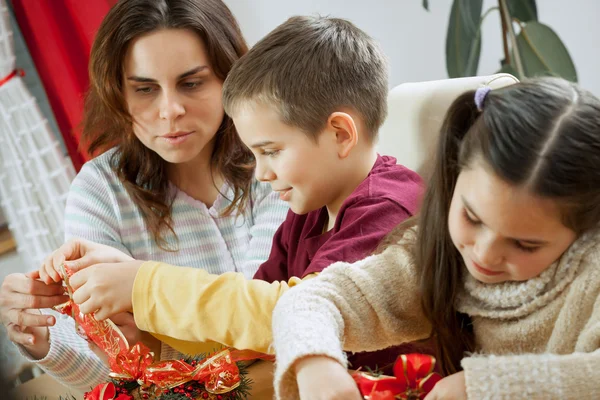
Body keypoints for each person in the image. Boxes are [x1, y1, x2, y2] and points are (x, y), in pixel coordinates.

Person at [40, 15, 424, 372]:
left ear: (340, 134)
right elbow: (247, 328)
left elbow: (296, 316)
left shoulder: (385, 211)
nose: (261, 173)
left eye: (271, 151)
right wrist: (144, 331)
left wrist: (144, 285)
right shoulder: (310, 210)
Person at [0, 0, 288, 392]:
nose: (170, 111)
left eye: (191, 83)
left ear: (230, 76)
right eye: (145, 89)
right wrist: (43, 340)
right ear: (118, 93)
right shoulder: (99, 190)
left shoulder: (275, 156)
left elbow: (269, 322)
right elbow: (115, 377)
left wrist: (142, 289)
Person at [269, 78, 600, 400]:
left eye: (525, 244)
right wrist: (315, 361)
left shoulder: (591, 276)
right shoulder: (434, 249)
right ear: (454, 176)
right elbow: (313, 300)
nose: (484, 253)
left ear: (585, 230)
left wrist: (487, 387)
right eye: (472, 217)